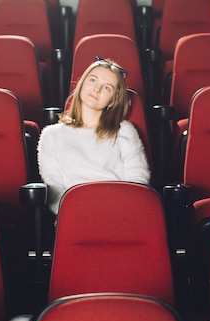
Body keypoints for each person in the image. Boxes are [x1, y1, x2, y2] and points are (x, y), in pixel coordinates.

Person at [37, 56, 151, 215]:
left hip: (120, 213)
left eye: (107, 88)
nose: (97, 89)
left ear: (112, 101)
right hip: (74, 216)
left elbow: (138, 180)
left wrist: (117, 211)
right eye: (93, 80)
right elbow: (55, 192)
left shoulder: (125, 130)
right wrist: (83, 213)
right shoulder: (51, 135)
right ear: (82, 84)